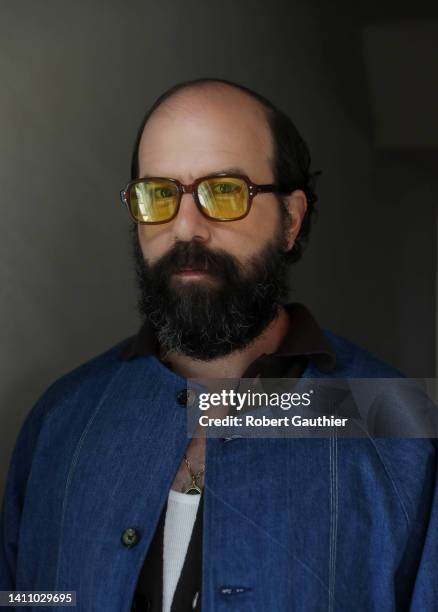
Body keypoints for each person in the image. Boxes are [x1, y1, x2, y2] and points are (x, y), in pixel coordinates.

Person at [1, 78, 437, 612]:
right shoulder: (61, 420)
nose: (186, 227)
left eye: (226, 191)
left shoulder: (397, 423)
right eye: (159, 194)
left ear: (291, 220)